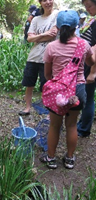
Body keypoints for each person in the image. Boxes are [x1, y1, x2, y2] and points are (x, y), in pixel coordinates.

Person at [39, 10, 94, 169]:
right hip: (78, 91)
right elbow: (90, 63)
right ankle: (69, 159)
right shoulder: (84, 45)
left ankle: (51, 158)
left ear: (57, 26)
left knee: (55, 126)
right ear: (76, 26)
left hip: (58, 92)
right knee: (72, 125)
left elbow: (48, 74)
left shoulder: (51, 47)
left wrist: (59, 84)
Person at [19, 0, 59, 116]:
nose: (48, 2)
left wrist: (36, 37)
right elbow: (29, 39)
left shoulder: (57, 15)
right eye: (44, 0)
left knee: (47, 86)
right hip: (33, 56)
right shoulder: (36, 19)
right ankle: (27, 108)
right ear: (40, 3)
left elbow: (54, 33)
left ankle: (47, 111)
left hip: (48, 58)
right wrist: (44, 35)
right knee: (29, 84)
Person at [77, 0, 96, 138]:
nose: (87, 9)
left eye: (89, 5)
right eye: (85, 6)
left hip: (91, 65)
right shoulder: (93, 21)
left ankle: (84, 129)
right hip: (88, 63)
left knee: (88, 97)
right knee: (87, 96)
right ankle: (83, 124)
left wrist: (93, 72)